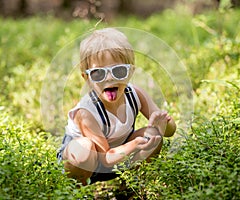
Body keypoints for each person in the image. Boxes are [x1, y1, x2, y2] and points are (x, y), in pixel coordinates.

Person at [57, 28, 176, 185]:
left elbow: (171, 130)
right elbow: (105, 159)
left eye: (119, 71)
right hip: (90, 164)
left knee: (152, 136)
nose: (109, 78)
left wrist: (162, 126)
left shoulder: (136, 94)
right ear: (87, 78)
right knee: (84, 150)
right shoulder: (86, 113)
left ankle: (133, 185)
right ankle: (75, 190)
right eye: (98, 73)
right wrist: (134, 144)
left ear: (130, 72)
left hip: (120, 156)